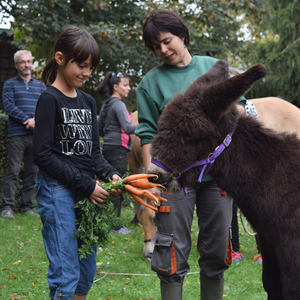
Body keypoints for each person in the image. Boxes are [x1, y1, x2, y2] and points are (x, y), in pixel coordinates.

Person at [135, 10, 247, 300]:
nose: (163, 50)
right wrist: (151, 177)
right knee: (170, 253)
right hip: (173, 180)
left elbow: (241, 108)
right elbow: (147, 133)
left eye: (167, 41)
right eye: (156, 47)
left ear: (182, 35)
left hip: (217, 176)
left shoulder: (213, 68)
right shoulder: (150, 83)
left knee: (216, 252)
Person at [32, 27, 124, 300]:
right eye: (81, 65)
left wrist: (111, 173)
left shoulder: (87, 101)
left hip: (86, 193)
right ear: (60, 58)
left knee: (86, 271)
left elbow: (93, 153)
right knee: (66, 272)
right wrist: (87, 185)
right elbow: (43, 155)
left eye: (91, 67)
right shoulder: (49, 99)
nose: (86, 73)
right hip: (57, 190)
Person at [1, 50, 46, 219]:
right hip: (17, 135)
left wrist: (37, 121)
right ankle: (6, 207)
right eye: (22, 62)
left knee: (32, 171)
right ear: (16, 65)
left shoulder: (41, 86)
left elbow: (46, 108)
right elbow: (9, 107)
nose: (26, 65)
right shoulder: (10, 84)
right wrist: (28, 120)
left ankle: (27, 206)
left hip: (36, 136)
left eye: (28, 61)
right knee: (12, 170)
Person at [96, 72, 137, 234]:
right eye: (125, 85)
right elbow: (127, 127)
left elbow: (99, 129)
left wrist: (110, 138)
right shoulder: (118, 104)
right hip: (118, 150)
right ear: (115, 87)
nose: (128, 88)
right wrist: (148, 127)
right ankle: (115, 226)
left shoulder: (106, 104)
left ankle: (103, 221)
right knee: (117, 187)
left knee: (106, 186)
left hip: (107, 147)